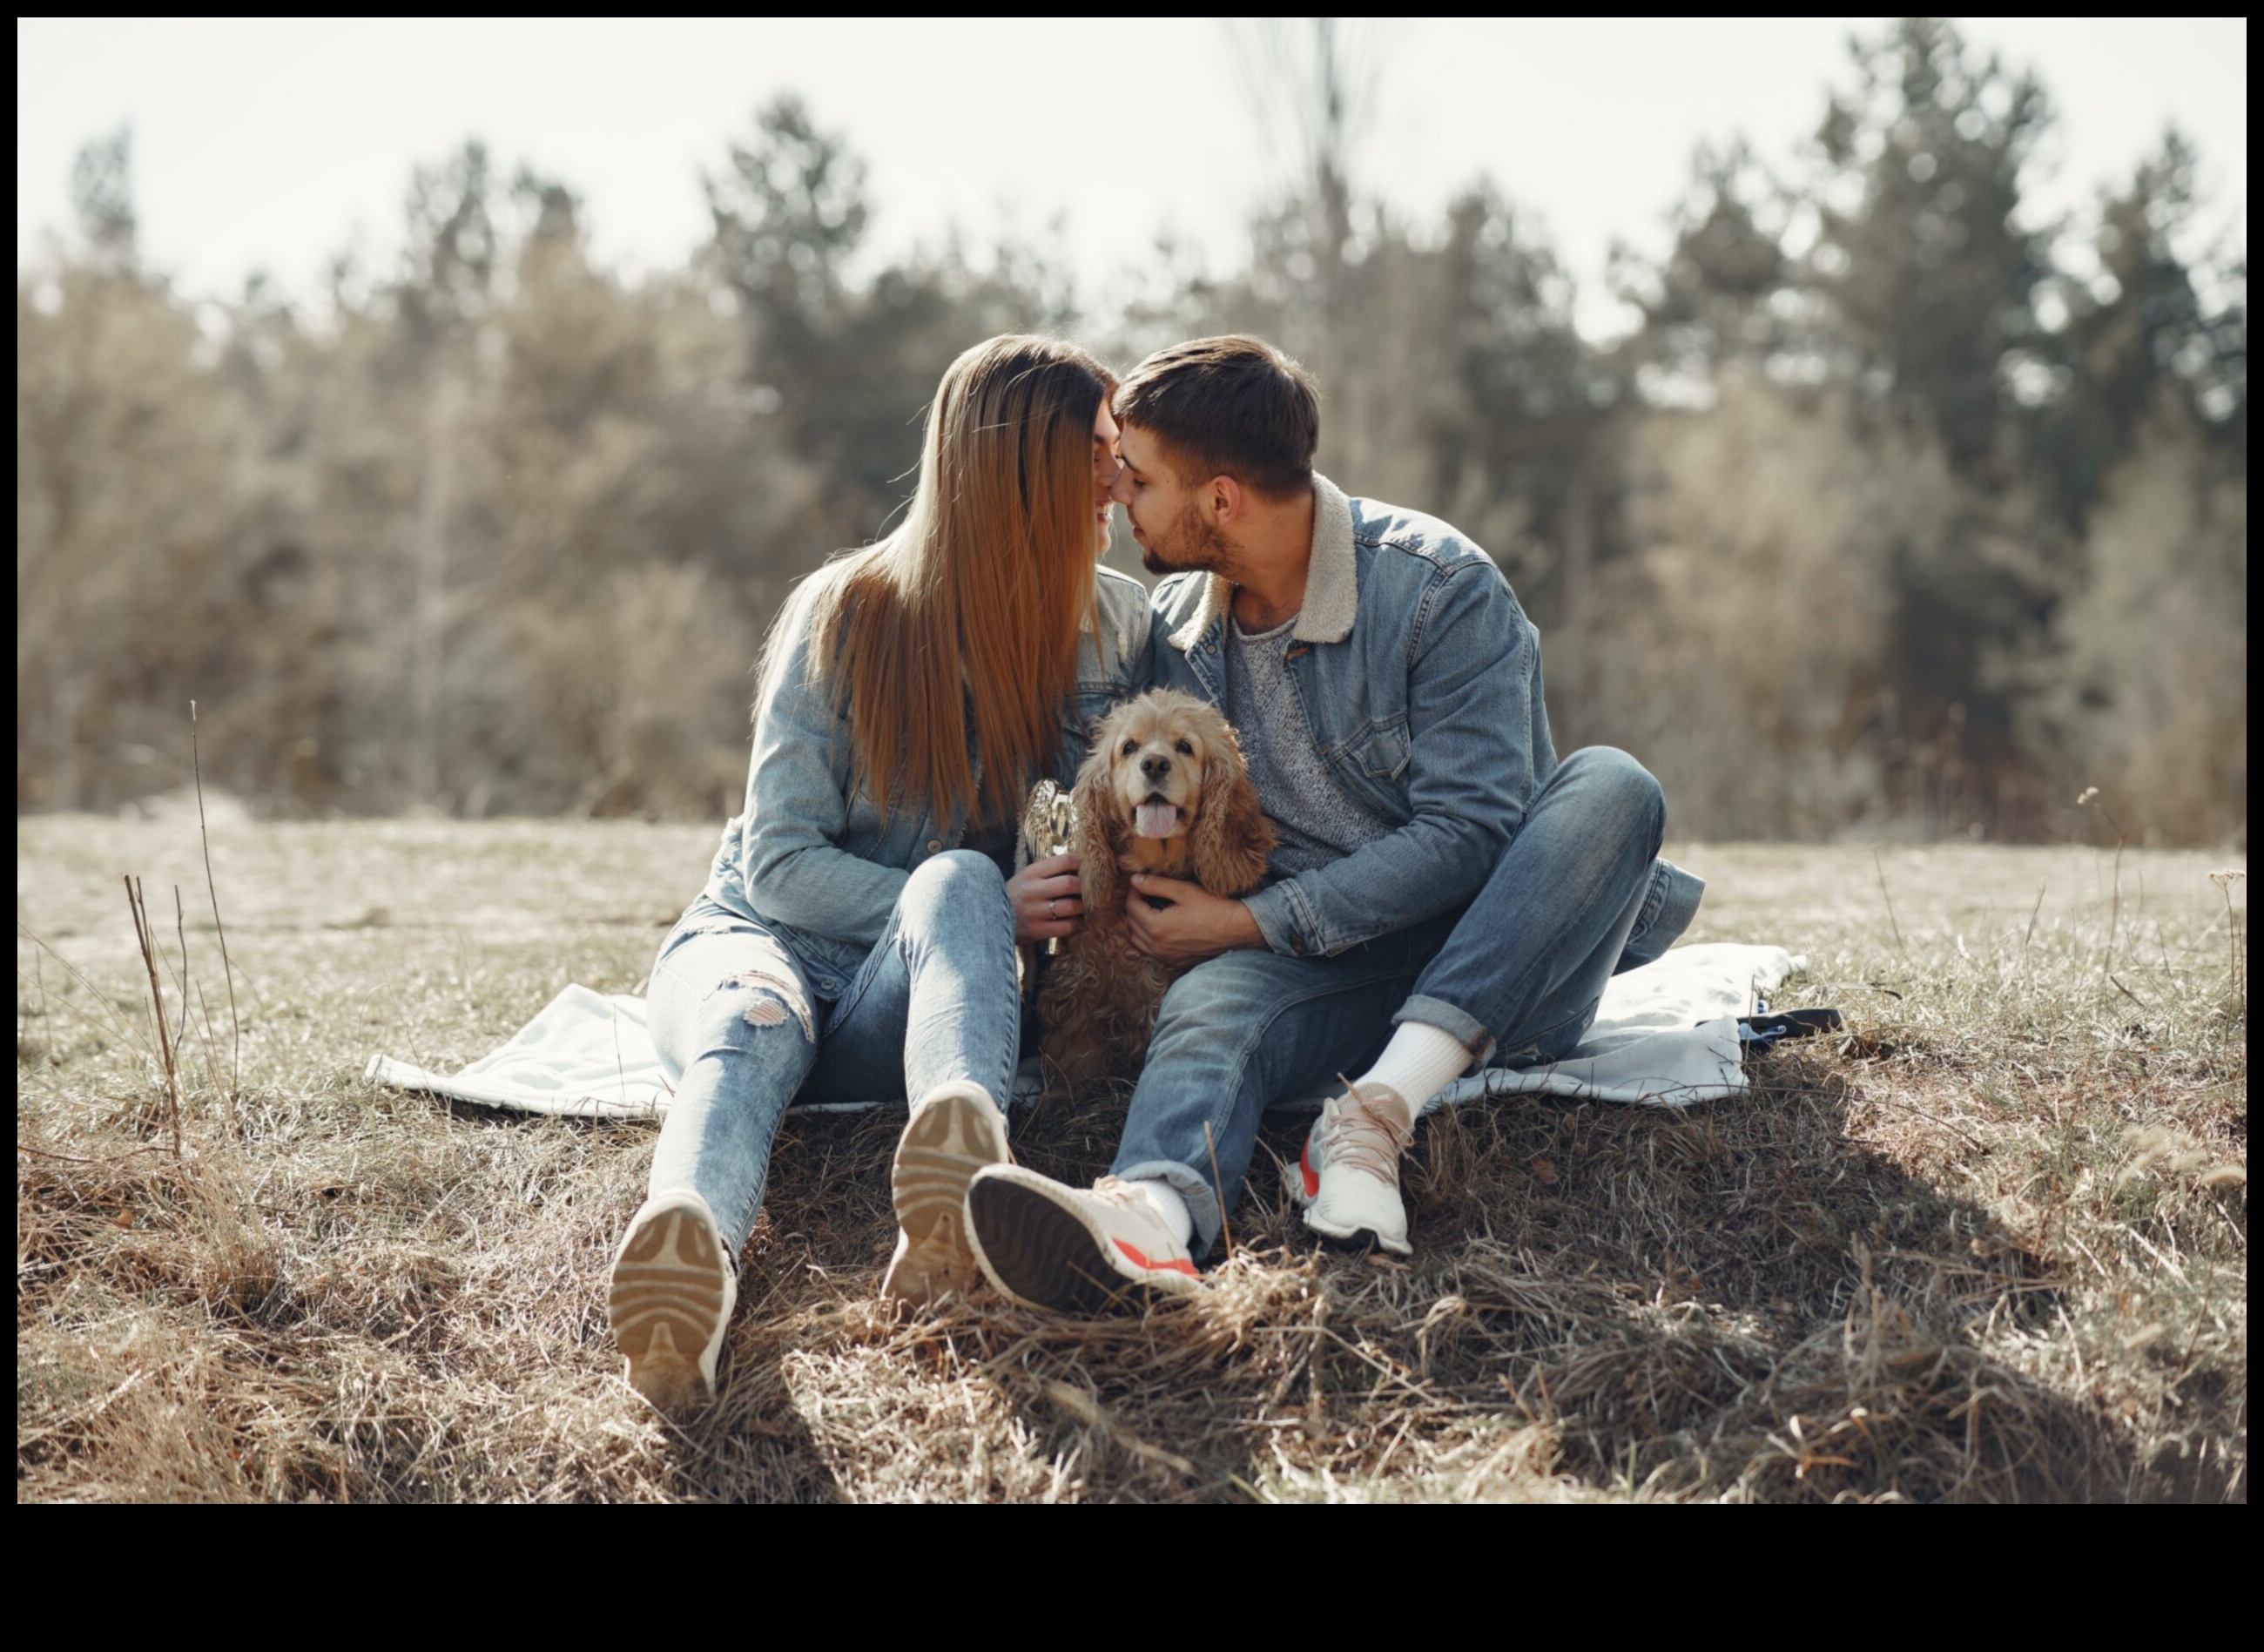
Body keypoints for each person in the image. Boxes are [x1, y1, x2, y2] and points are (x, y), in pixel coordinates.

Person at [963, 336, 1703, 1310]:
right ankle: (1147, 1213)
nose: (1112, 494)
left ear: (1220, 499)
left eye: (1134, 478)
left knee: (1614, 787)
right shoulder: (1177, 628)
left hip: (1495, 956)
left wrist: (1251, 923)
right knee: (1212, 1003)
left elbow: (1472, 834)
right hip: (1321, 971)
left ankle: (1373, 1117)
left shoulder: (1439, 590)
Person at [607, 334, 1149, 1407]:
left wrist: (1015, 904)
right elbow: (778, 864)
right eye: (1093, 450)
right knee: (747, 1025)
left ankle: (952, 1188)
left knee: (950, 880)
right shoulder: (846, 613)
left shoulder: (1110, 623)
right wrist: (995, 909)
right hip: (762, 942)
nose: (1118, 478)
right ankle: (688, 1269)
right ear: (1020, 468)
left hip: (902, 998)